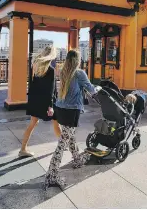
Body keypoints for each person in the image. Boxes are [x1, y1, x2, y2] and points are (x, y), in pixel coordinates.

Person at [44, 49, 96, 189]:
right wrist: (97, 88)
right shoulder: (79, 73)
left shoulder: (63, 71)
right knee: (62, 144)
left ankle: (77, 160)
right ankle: (52, 175)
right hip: (71, 111)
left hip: (60, 109)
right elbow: (91, 89)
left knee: (69, 136)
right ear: (77, 60)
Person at [18, 46, 61, 158]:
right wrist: (50, 106)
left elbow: (33, 85)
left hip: (36, 99)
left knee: (33, 123)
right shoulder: (51, 70)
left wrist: (31, 100)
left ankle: (23, 149)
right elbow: (51, 91)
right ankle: (63, 145)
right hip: (48, 102)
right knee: (57, 123)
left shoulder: (36, 68)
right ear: (52, 55)